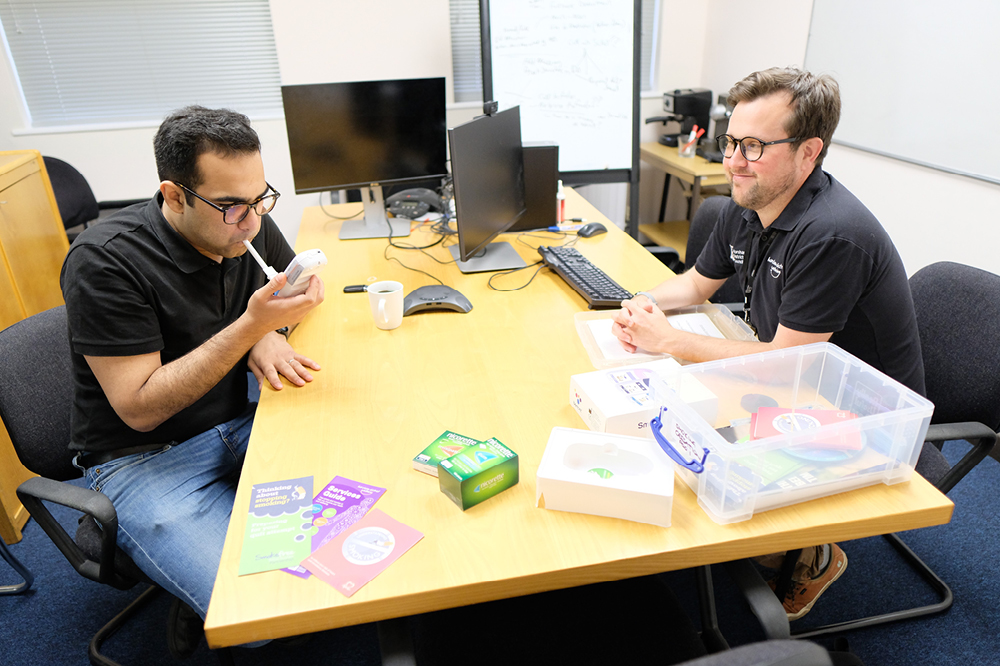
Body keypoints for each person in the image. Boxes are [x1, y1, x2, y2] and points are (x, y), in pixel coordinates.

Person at [614, 67, 924, 620]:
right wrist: (646, 304)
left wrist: (671, 342)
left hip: (861, 416)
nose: (733, 161)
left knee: (685, 430)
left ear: (809, 153)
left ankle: (813, 555)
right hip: (796, 379)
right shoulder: (749, 200)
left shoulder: (832, 235)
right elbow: (696, 283)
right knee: (659, 414)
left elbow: (786, 365)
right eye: (731, 142)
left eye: (753, 146)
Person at [60, 106, 324, 654]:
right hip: (144, 457)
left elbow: (290, 295)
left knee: (377, 487)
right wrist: (252, 327)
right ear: (175, 195)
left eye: (259, 199)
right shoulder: (105, 261)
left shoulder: (244, 222)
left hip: (238, 419)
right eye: (230, 205)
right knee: (260, 617)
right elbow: (139, 407)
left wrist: (272, 331)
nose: (250, 221)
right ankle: (191, 596)